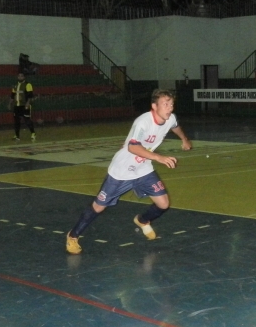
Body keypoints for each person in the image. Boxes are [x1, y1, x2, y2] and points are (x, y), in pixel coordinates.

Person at [66, 89, 193, 254]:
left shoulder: (171, 119)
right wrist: (158, 157)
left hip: (143, 169)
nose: (169, 108)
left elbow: (175, 126)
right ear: (154, 106)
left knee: (163, 204)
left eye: (171, 104)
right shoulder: (143, 122)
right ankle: (73, 235)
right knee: (99, 207)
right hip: (121, 171)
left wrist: (184, 139)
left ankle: (143, 220)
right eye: (165, 104)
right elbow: (133, 147)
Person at [8, 73, 36, 141]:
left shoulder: (28, 84)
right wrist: (9, 103)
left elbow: (30, 95)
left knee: (27, 120)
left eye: (22, 76)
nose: (20, 77)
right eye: (19, 76)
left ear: (24, 77)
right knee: (16, 121)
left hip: (24, 105)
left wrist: (27, 103)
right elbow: (12, 95)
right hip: (17, 106)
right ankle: (17, 136)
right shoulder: (15, 85)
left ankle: (33, 133)